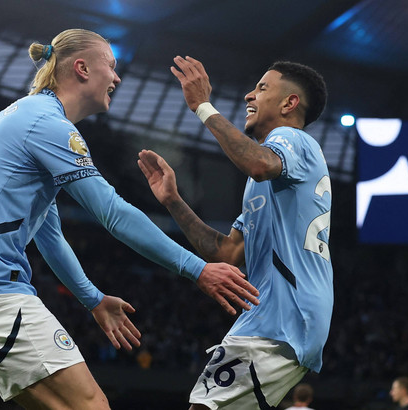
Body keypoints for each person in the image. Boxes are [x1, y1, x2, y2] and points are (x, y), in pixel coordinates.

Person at [0, 30, 260, 410]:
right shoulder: (49, 126)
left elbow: (49, 234)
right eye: (111, 65)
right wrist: (199, 269)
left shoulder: (25, 116)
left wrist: (93, 299)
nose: (117, 78)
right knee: (92, 405)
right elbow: (113, 212)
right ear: (82, 68)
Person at [137, 56, 333, 409]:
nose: (248, 96)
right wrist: (173, 200)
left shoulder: (292, 140)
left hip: (283, 316)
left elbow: (259, 163)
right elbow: (227, 252)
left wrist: (202, 106)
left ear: (290, 103)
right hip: (278, 315)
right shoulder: (269, 178)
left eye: (262, 88)